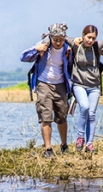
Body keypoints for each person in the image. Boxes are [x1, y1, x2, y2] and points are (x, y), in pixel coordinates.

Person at [20, 23, 72, 158]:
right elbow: (23, 57)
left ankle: (64, 145)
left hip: (60, 84)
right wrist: (36, 50)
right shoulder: (43, 45)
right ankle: (48, 148)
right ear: (51, 37)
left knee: (62, 116)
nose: (58, 42)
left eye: (61, 39)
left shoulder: (67, 48)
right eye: (55, 40)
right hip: (43, 84)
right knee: (45, 116)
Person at [65, 25, 103, 154]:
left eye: (93, 38)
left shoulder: (97, 46)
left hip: (94, 86)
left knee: (92, 114)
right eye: (88, 37)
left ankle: (89, 144)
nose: (90, 40)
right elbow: (63, 37)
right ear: (83, 35)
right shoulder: (76, 44)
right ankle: (80, 138)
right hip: (79, 84)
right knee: (84, 107)